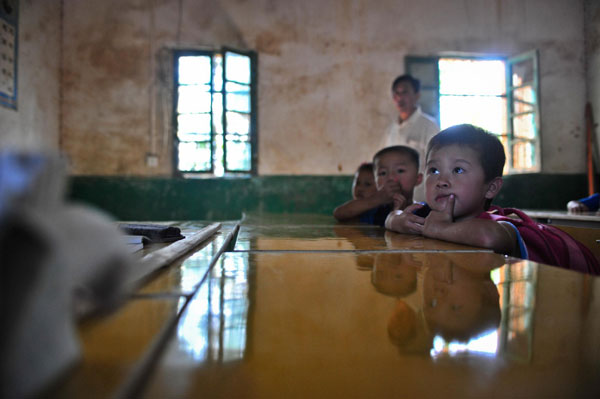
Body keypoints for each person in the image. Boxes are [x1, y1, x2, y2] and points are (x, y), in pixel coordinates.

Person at [385, 124, 600, 275]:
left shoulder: (495, 221)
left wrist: (437, 230)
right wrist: (398, 221)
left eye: (458, 169)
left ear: (491, 188)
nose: (441, 180)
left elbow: (491, 237)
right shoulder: (431, 215)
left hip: (580, 288)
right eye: (433, 169)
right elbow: (392, 216)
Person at [381, 74, 439, 202]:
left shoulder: (428, 126)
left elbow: (436, 163)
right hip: (394, 198)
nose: (400, 98)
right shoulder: (391, 129)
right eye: (396, 93)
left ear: (417, 95)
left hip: (421, 198)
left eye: (405, 92)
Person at [334, 146, 423, 226]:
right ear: (376, 181)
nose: (391, 177)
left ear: (418, 179)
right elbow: (339, 214)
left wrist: (399, 215)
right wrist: (378, 199)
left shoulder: (424, 211)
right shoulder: (375, 211)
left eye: (400, 171)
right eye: (383, 173)